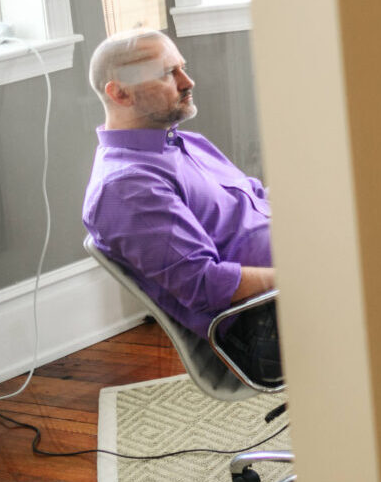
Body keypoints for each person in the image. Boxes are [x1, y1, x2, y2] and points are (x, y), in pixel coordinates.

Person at [81, 30, 281, 384]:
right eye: (166, 73)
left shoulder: (185, 141)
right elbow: (206, 285)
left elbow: (254, 200)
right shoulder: (128, 187)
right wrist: (306, 278)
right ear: (120, 92)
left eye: (182, 68)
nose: (188, 81)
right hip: (261, 322)